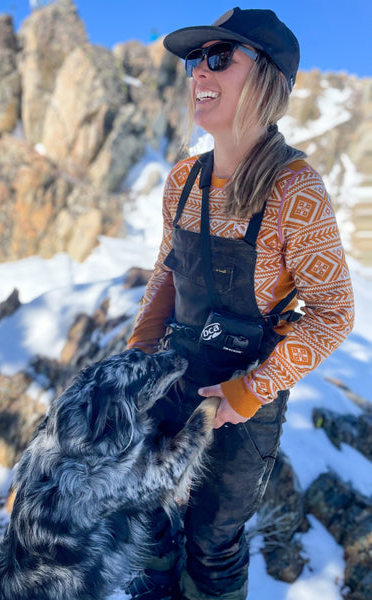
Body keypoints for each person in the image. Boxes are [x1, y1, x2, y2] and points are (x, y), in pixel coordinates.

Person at [125, 7, 354, 600]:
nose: (198, 68)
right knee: (146, 525)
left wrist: (251, 389)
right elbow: (167, 271)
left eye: (218, 56)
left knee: (212, 542)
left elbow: (334, 314)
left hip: (242, 405)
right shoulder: (184, 179)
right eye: (194, 58)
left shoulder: (294, 189)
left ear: (267, 78)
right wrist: (133, 359)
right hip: (170, 379)